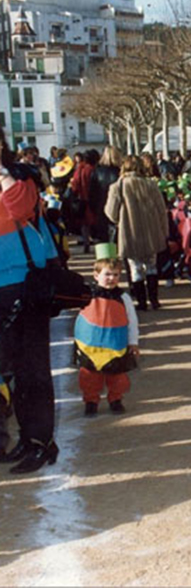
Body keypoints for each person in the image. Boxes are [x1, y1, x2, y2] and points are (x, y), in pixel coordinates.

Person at [0, 125, 60, 474]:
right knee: (8, 369)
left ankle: (39, 441)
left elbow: (21, 207)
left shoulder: (20, 176)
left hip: (25, 280)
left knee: (32, 368)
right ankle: (24, 436)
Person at [74, 245, 139, 416]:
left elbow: (132, 321)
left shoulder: (123, 297)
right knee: (89, 376)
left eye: (116, 275)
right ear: (96, 276)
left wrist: (133, 342)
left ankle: (116, 399)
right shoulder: (86, 295)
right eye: (107, 274)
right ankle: (91, 401)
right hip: (90, 344)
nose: (111, 278)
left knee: (117, 375)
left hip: (116, 343)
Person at [104, 155, 170, 312]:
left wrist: (120, 218)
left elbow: (111, 213)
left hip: (129, 231)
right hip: (151, 230)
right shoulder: (151, 184)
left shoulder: (118, 186)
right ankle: (154, 299)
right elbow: (162, 210)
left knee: (136, 268)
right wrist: (164, 231)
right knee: (151, 266)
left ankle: (141, 302)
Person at [89, 146, 122, 243]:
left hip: (101, 207)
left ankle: (106, 256)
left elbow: (91, 192)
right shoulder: (120, 172)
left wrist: (94, 208)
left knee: (103, 238)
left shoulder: (97, 171)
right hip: (118, 207)